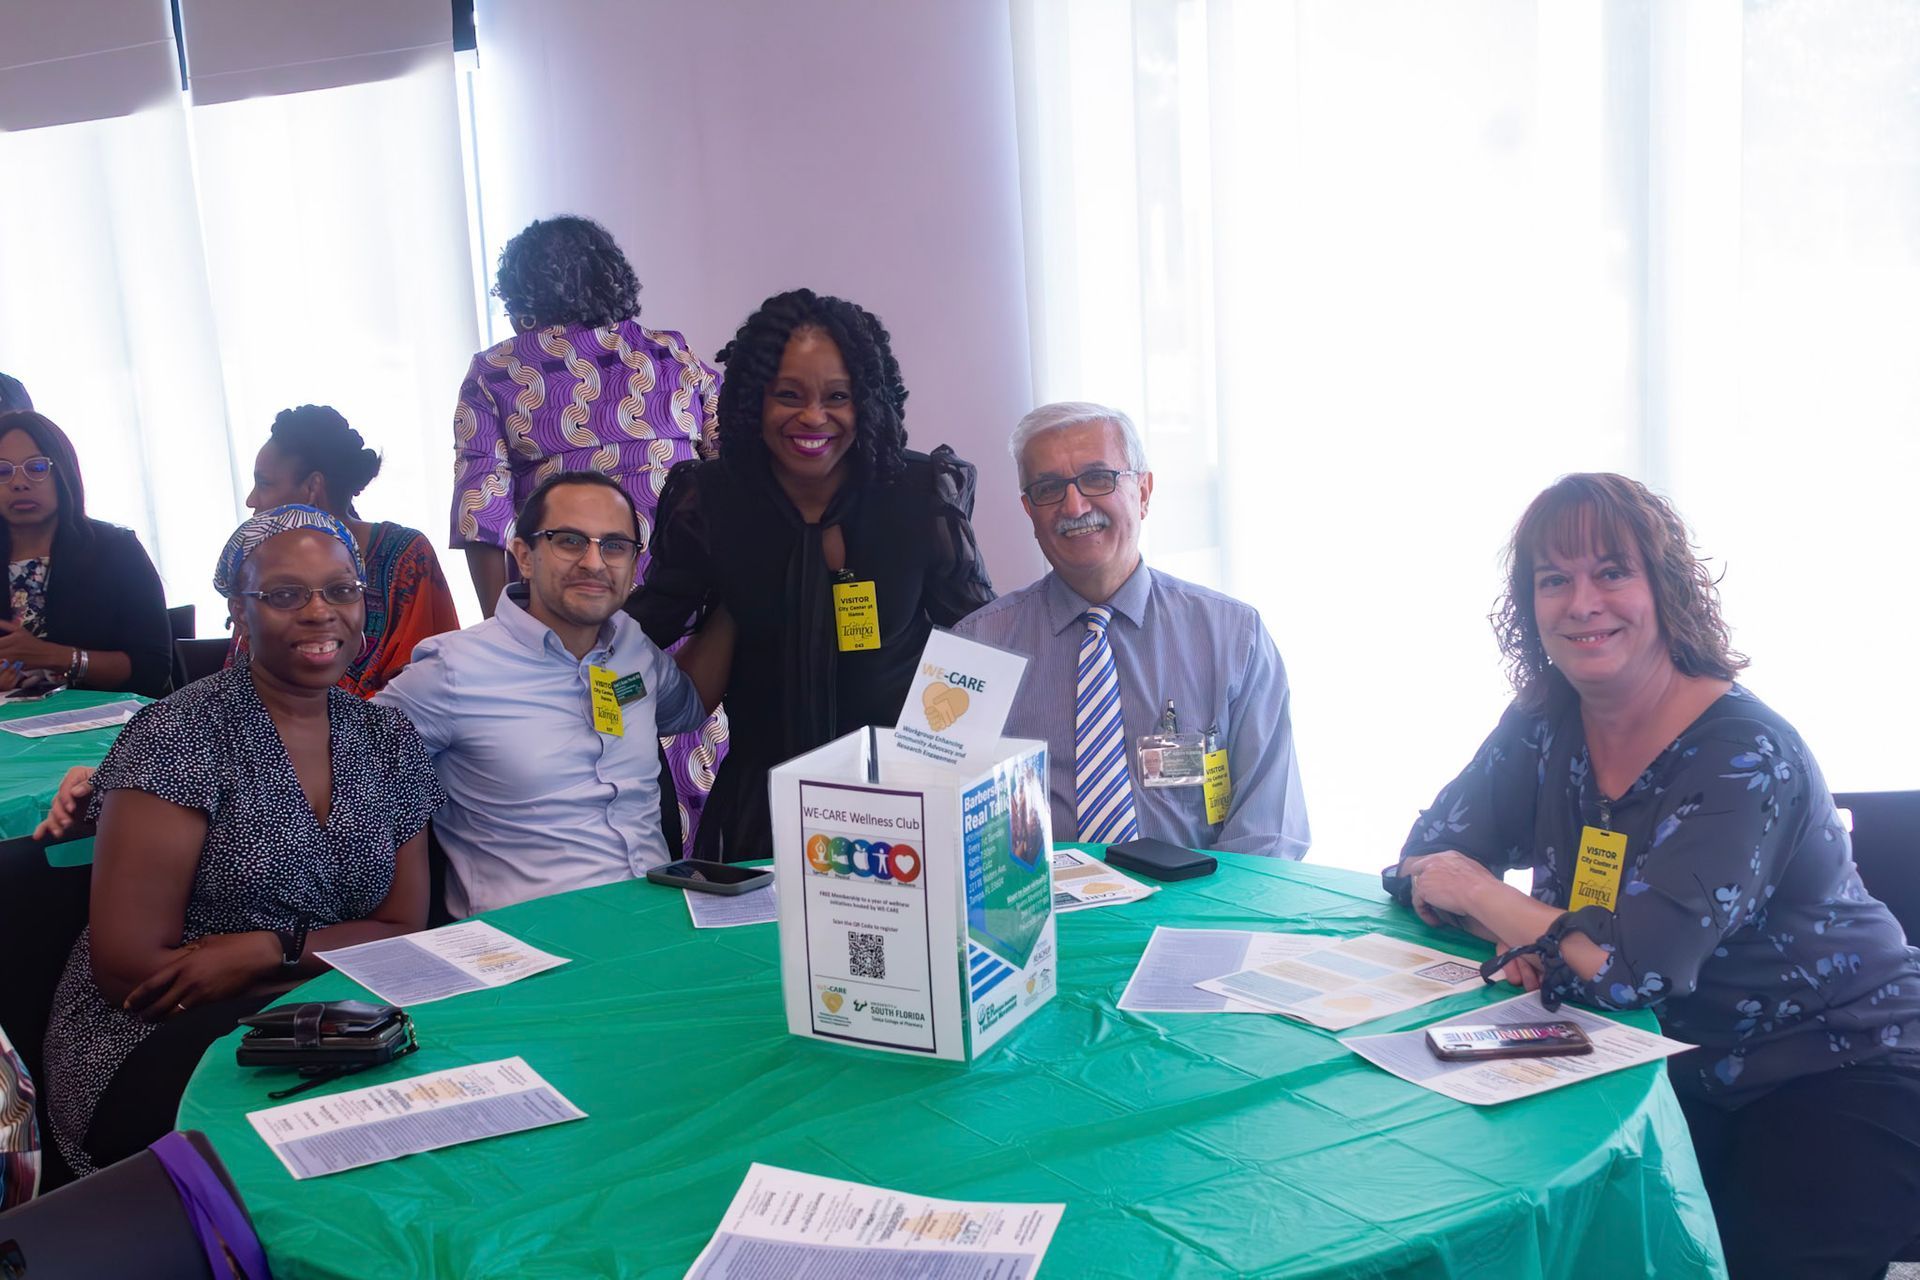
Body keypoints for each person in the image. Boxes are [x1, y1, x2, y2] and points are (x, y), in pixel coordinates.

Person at [1390, 472, 1920, 1278]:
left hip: (1836, 1063)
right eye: (1553, 580)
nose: (1582, 602)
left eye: (1612, 571)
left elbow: (1631, 973)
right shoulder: (1543, 721)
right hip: (1656, 1060)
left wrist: (1491, 900)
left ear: (1665, 589)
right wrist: (1528, 929)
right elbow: (1421, 861)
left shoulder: (1744, 755)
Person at [40, 505, 443, 1176]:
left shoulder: (389, 738)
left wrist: (270, 950)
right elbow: (131, 974)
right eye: (286, 594)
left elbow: (404, 925)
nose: (320, 612)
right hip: (157, 1038)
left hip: (325, 1016)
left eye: (340, 590)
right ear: (239, 608)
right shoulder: (180, 736)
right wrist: (314, 962)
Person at [628, 288, 996, 861]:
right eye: (788, 396)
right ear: (755, 399)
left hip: (905, 809)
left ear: (867, 401)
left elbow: (983, 641)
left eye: (838, 396)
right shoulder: (713, 504)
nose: (814, 417)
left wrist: (942, 770)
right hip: (764, 809)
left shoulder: (919, 496)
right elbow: (642, 628)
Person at [449, 213, 726, 847]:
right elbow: (728, 486)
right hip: (687, 622)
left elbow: (484, 516)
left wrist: (509, 644)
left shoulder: (498, 372)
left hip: (574, 625)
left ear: (519, 295)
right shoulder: (673, 355)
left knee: (584, 805)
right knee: (693, 802)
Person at [954, 402, 1308, 858]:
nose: (1074, 506)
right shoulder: (972, 648)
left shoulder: (1235, 636)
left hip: (1195, 913)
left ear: (1143, 491)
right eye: (1048, 488)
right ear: (1028, 510)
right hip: (1043, 921)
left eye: (1098, 479)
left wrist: (1206, 925)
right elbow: (942, 824)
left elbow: (1270, 834)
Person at [381, 471, 711, 916]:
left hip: (659, 922)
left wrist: (734, 603)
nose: (594, 563)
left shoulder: (633, 646)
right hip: (530, 946)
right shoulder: (452, 670)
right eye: (570, 541)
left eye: (614, 546)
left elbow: (688, 708)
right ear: (525, 555)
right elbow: (350, 765)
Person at [236, 404, 459, 696]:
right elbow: (243, 680)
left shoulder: (406, 556)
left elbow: (434, 678)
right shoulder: (260, 565)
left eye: (264, 483)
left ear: (312, 488)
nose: (252, 500)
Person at [0, 412, 171, 697]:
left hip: (108, 728)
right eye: (3, 472)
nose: (19, 483)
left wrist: (56, 656)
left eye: (37, 467)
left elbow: (153, 668)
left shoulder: (116, 548)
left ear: (64, 471)